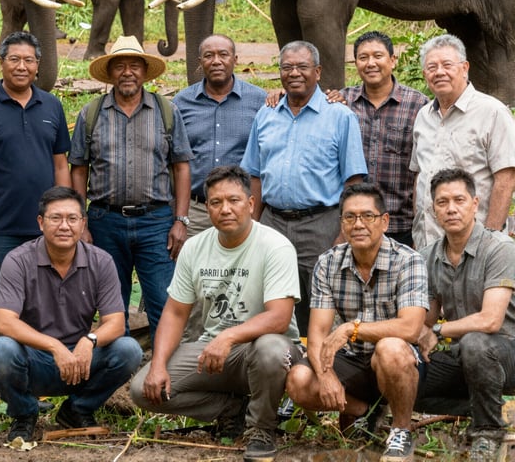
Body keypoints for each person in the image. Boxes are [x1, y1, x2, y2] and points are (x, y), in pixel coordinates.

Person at [130, 165, 301, 462]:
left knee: (270, 349)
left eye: (234, 200)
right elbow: (175, 313)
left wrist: (229, 336)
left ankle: (261, 428)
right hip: (213, 352)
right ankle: (233, 411)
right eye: (216, 202)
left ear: (250, 204)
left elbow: (279, 318)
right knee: (142, 390)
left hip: (267, 351)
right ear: (207, 207)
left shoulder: (276, 246)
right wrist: (158, 364)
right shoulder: (195, 247)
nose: (225, 209)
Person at [0, 31, 71, 417]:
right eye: (14, 59)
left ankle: (26, 387)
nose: (22, 66)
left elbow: (60, 166)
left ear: (38, 65)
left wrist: (70, 219)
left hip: (45, 229)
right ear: (1, 62)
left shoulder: (51, 106)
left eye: (29, 60)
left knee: (37, 311)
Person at [0, 186, 143, 441]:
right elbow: (4, 322)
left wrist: (89, 341)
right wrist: (54, 346)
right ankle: (24, 413)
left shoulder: (101, 261)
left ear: (83, 223)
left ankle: (77, 408)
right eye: (55, 218)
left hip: (82, 362)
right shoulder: (18, 260)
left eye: (72, 219)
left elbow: (115, 322)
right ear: (40, 223)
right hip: (35, 361)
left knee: (129, 350)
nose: (64, 226)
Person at [285, 183, 428, 462]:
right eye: (350, 217)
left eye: (367, 216)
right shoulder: (328, 262)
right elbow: (316, 335)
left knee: (390, 348)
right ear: (342, 223)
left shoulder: (409, 261)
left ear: (384, 221)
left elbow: (410, 328)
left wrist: (353, 328)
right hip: (351, 361)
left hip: (395, 363)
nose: (358, 224)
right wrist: (325, 377)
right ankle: (366, 411)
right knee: (299, 380)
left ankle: (401, 429)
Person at [69, 35, 192, 344]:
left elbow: (181, 166)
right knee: (111, 303)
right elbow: (79, 168)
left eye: (134, 66)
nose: (127, 72)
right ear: (110, 72)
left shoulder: (166, 110)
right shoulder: (91, 113)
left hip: (156, 222)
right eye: (120, 66)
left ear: (144, 72)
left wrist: (180, 220)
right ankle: (117, 372)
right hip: (105, 220)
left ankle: (164, 371)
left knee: (163, 300)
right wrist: (80, 221)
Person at [240, 40, 367, 335]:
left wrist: (343, 231)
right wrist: (253, 223)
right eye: (287, 67)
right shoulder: (266, 114)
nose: (294, 73)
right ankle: (283, 368)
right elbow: (255, 176)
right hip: (272, 221)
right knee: (272, 296)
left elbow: (353, 181)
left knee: (321, 300)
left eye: (302, 66)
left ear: (318, 71)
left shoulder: (340, 116)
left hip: (321, 222)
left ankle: (319, 368)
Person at [416, 168, 515, 462]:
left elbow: (490, 321)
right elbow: (425, 320)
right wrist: (422, 335)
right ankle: (485, 407)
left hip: (508, 350)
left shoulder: (499, 248)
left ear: (475, 203)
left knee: (475, 341)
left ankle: (487, 431)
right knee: (405, 377)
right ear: (433, 209)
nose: (451, 209)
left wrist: (436, 333)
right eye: (442, 202)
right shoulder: (428, 255)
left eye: (459, 200)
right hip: (467, 357)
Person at [410, 34, 515, 248]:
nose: (439, 72)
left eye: (447, 64)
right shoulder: (423, 116)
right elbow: (421, 175)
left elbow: (506, 179)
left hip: (474, 243)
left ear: (465, 67)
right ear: (424, 74)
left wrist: (489, 241)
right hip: (427, 244)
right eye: (432, 67)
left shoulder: (492, 112)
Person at [329, 31, 427, 247]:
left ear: (392, 60)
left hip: (400, 225)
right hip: (354, 224)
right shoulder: (341, 103)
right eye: (363, 57)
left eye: (378, 56)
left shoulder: (418, 105)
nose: (370, 63)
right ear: (355, 63)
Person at [172, 34, 267, 235]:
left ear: (235, 60)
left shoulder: (259, 100)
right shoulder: (181, 102)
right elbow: (174, 159)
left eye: (223, 54)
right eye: (209, 56)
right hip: (196, 209)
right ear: (200, 62)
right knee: (194, 265)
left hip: (240, 207)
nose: (216, 61)